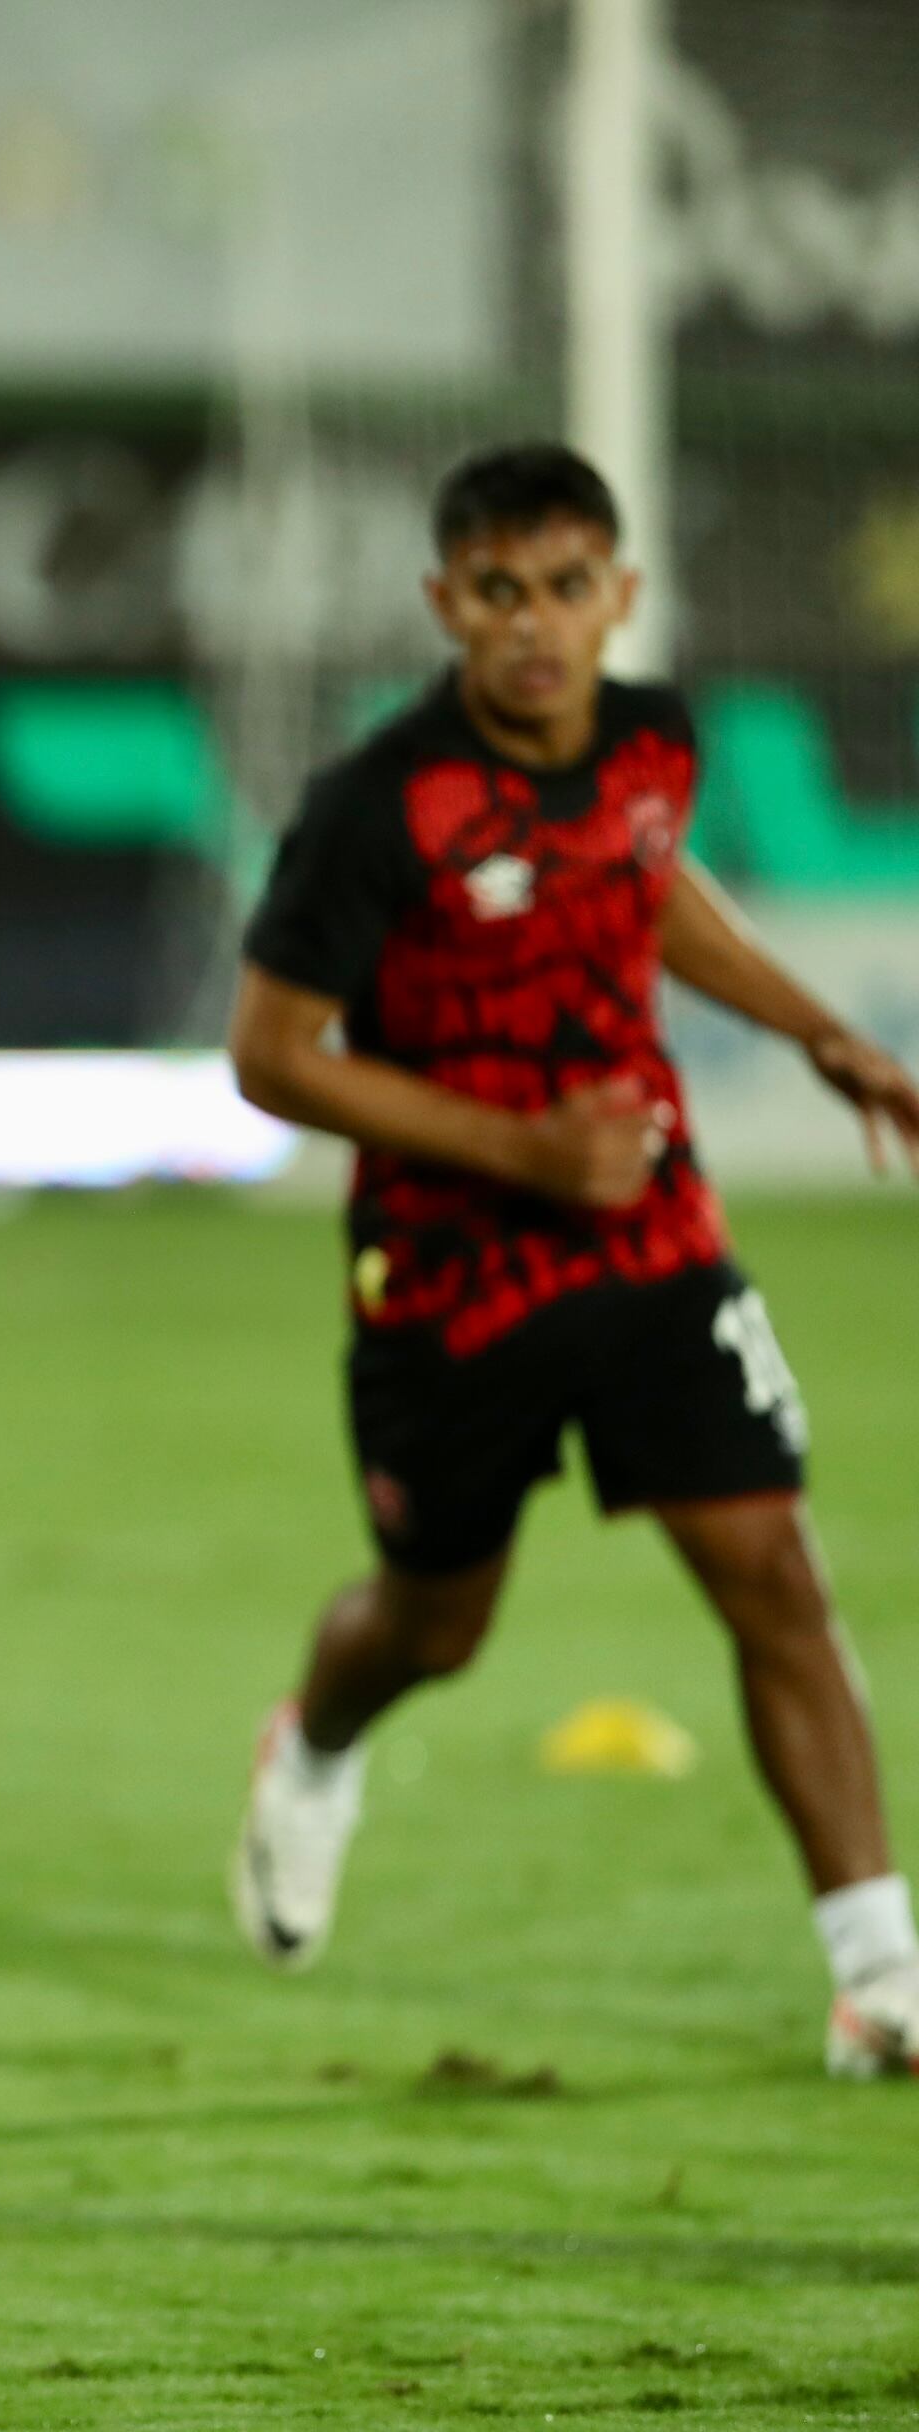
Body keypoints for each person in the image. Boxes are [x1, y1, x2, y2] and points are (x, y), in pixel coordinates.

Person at [227, 441, 919, 2077]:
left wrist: (817, 1032)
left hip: (648, 1228)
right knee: (433, 1626)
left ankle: (878, 1975)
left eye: (562, 587)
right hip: (447, 1268)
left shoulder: (652, 738)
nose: (531, 624)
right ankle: (313, 1746)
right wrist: (521, 1149)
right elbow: (269, 1056)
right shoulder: (377, 806)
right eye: (496, 592)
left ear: (619, 594)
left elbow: (641, 880)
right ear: (442, 604)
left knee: (769, 1564)